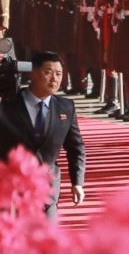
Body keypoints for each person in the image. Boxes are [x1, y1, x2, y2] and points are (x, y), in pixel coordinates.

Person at [0, 51, 85, 217]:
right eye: (47, 72)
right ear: (33, 73)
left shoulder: (66, 107)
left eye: (59, 74)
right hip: (11, 190)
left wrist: (78, 182)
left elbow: (76, 146)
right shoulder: (9, 104)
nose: (54, 78)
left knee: (46, 239)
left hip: (48, 189)